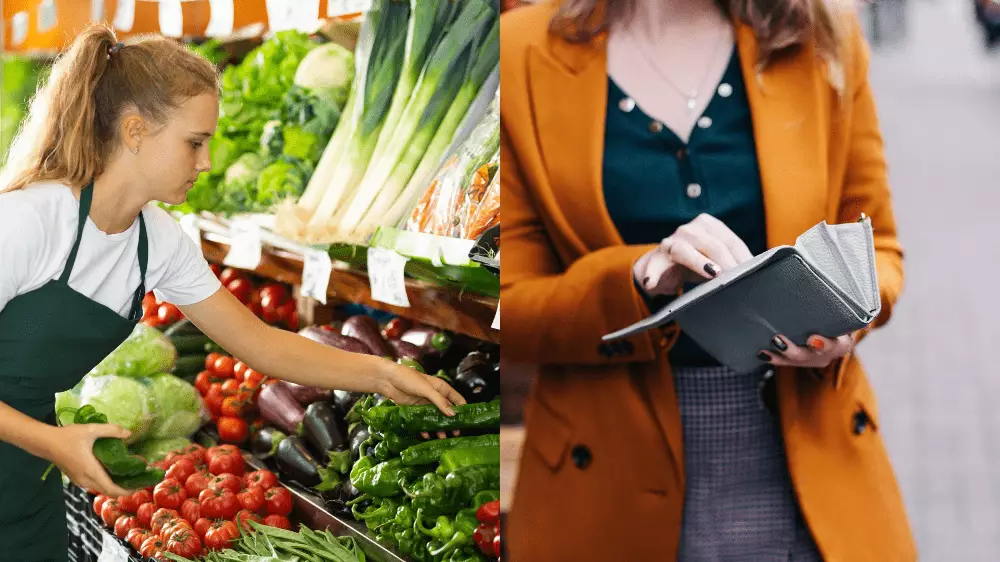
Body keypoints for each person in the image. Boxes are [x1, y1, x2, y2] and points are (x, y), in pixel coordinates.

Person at [0, 25, 464, 561]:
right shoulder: (31, 219)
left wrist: (383, 375)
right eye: (194, 142)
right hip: (34, 444)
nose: (207, 163)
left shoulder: (157, 241)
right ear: (134, 132)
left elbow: (260, 343)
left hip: (27, 477)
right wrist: (52, 443)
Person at [500, 0, 915, 559]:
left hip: (808, 457)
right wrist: (636, 280)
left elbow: (879, 249)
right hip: (604, 471)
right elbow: (510, 307)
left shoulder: (818, 33)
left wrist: (843, 320)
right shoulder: (521, 49)